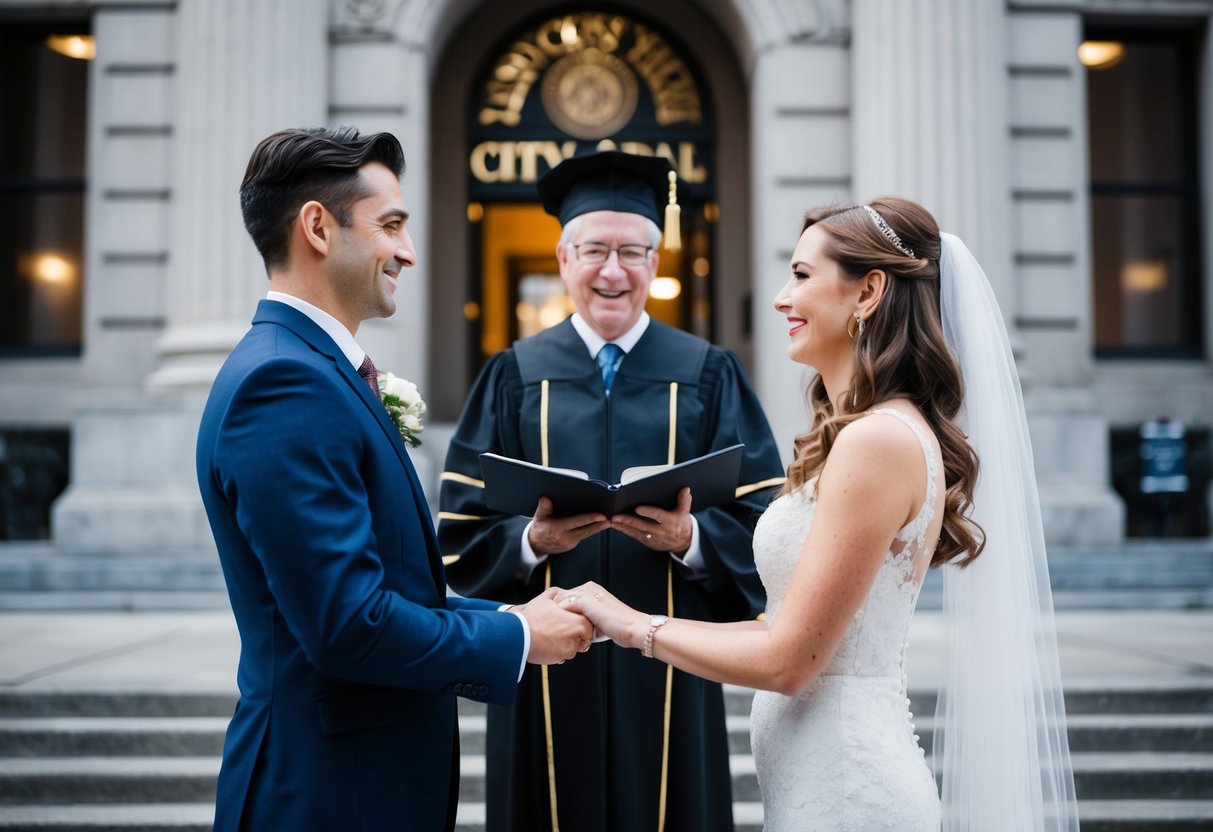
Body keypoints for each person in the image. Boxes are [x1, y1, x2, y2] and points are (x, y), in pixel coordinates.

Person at [564, 198, 1080, 831]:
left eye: (802, 276)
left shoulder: (878, 442)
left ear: (868, 292)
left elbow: (789, 662)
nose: (781, 298)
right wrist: (624, 620)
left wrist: (633, 628)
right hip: (819, 783)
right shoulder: (859, 435)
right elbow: (782, 629)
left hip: (849, 791)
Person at [195, 126, 592, 832]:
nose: (408, 252)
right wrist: (519, 639)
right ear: (317, 227)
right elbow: (347, 625)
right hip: (327, 793)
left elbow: (381, 593)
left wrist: (509, 615)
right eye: (391, 226)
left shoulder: (310, 368)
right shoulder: (285, 383)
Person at [437, 151, 786, 832]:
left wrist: (692, 542)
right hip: (541, 667)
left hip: (671, 662)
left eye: (632, 251)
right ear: (565, 258)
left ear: (656, 263)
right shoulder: (511, 376)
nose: (612, 270)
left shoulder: (708, 374)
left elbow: (767, 524)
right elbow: (458, 525)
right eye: (594, 249)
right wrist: (527, 541)